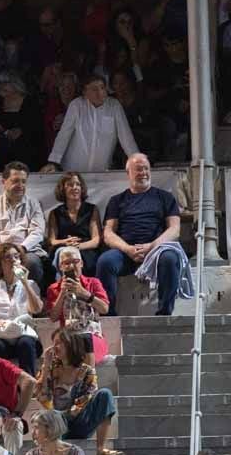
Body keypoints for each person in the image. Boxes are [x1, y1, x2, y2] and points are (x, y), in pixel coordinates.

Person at [95, 153, 185, 316]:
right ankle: (108, 315)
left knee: (170, 258)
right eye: (138, 169)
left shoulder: (165, 197)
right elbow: (108, 233)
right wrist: (127, 248)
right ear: (128, 173)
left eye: (146, 169)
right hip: (126, 252)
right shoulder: (117, 200)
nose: (143, 173)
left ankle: (164, 313)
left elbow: (174, 229)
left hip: (156, 250)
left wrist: (151, 246)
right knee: (105, 262)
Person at [36, 329, 123, 455]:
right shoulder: (51, 369)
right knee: (49, 414)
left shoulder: (86, 371)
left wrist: (62, 415)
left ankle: (101, 451)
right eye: (54, 343)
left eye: (59, 343)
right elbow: (42, 398)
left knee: (105, 394)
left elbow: (81, 405)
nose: (54, 347)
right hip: (56, 425)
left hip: (79, 422)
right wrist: (46, 366)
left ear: (71, 345)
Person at [45, 75, 138, 172]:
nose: (100, 92)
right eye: (94, 89)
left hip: (101, 171)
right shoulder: (76, 105)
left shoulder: (114, 106)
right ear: (85, 92)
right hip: (73, 171)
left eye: (102, 88)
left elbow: (126, 137)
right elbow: (64, 135)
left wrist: (137, 161)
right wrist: (53, 162)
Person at [0, 164, 46, 289]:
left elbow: (37, 232)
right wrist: (1, 250)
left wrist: (22, 248)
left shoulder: (34, 203)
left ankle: (34, 305)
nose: (20, 186)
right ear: (4, 182)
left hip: (27, 250)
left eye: (23, 181)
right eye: (15, 181)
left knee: (32, 263)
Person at [0, 243, 43, 374]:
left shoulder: (30, 284)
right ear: (0, 264)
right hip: (2, 335)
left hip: (24, 334)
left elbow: (36, 309)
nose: (13, 260)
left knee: (25, 343)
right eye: (8, 257)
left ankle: (29, 385)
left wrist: (25, 282)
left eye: (16, 256)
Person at [44, 247, 111, 364]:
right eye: (66, 263)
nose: (71, 266)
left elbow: (104, 308)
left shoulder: (93, 283)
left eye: (75, 262)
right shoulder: (54, 288)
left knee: (86, 339)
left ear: (81, 264)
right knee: (66, 342)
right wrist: (62, 293)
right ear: (60, 266)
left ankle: (89, 380)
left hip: (92, 335)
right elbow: (53, 317)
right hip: (69, 336)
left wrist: (84, 293)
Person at [46, 173, 102, 278]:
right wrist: (65, 242)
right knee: (64, 256)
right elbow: (51, 240)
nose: (75, 188)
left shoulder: (92, 209)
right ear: (63, 189)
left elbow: (96, 240)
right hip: (63, 249)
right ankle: (62, 289)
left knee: (76, 258)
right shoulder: (55, 213)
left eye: (78, 184)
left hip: (86, 249)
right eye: (70, 185)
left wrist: (78, 247)